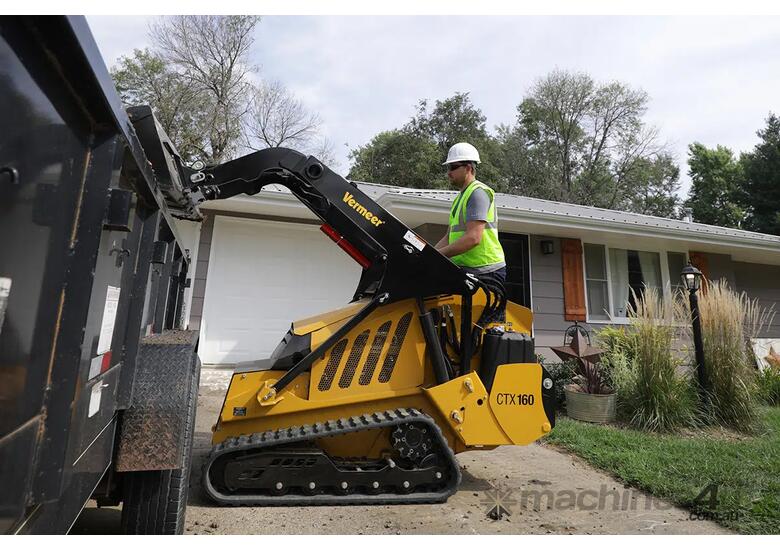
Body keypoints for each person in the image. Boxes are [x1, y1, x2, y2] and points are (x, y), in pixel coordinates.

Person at [435, 143, 506, 321]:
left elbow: (473, 238)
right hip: (469, 271)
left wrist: (440, 256)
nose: (448, 172)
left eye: (452, 167)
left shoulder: (477, 194)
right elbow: (449, 236)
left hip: (487, 273)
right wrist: (430, 255)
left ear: (468, 168)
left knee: (484, 332)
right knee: (460, 329)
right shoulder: (460, 197)